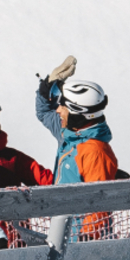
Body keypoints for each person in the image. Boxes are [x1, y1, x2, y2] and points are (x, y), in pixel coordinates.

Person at [34, 59, 124, 237]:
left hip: (81, 243)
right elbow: (44, 113)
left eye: (63, 106)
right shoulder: (68, 133)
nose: (58, 110)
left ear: (77, 113)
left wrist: (86, 241)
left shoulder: (95, 152)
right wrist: (48, 86)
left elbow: (98, 203)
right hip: (63, 236)